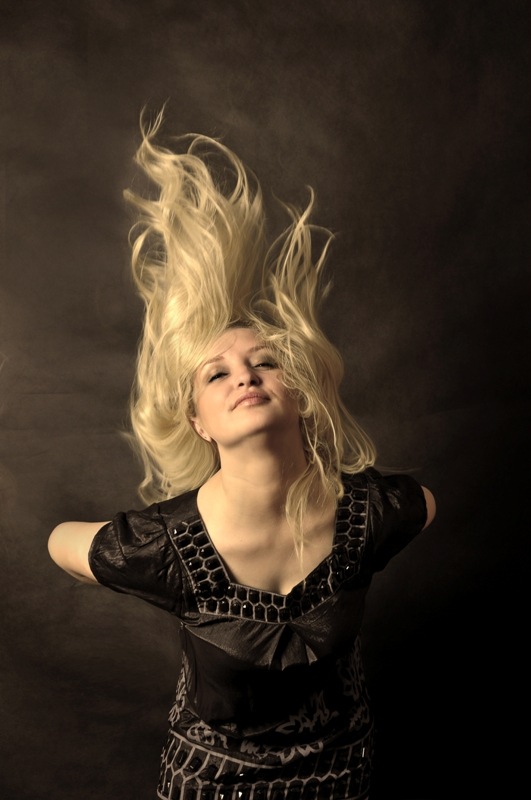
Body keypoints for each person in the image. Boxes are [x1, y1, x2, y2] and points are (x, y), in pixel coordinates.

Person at [48, 110, 436, 800]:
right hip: (213, 784)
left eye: (264, 363)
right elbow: (58, 541)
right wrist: (116, 562)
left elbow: (426, 504)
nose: (245, 377)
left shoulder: (368, 512)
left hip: (343, 775)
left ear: (301, 395)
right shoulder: (166, 544)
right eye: (217, 374)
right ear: (197, 422)